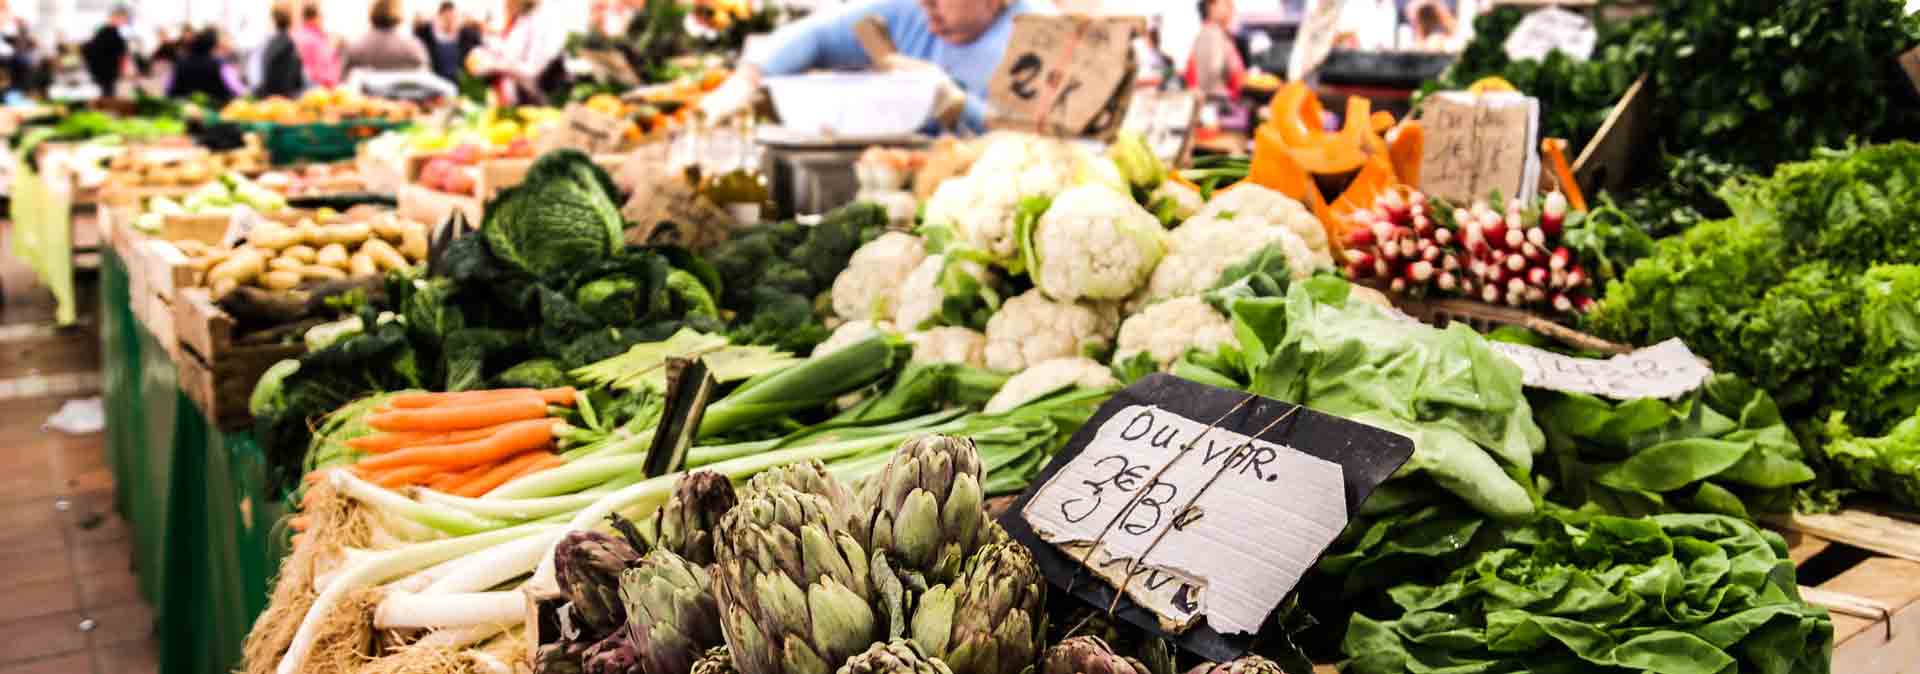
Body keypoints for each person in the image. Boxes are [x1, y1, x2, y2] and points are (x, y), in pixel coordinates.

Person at [699, 0, 1048, 134]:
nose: (927, 11)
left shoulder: (1043, 33)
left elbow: (1046, 139)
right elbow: (816, 36)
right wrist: (747, 79)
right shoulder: (911, 12)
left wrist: (958, 103)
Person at [471, 0, 568, 105]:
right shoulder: (520, 21)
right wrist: (483, 54)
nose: (506, 3)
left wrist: (494, 65)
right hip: (508, 98)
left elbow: (532, 70)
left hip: (528, 100)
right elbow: (507, 53)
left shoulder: (542, 22)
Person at [342, 0, 430, 78]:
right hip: (403, 95)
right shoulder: (413, 48)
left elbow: (344, 79)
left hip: (365, 95)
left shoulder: (357, 46)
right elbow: (426, 78)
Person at [1185, 0, 1244, 102]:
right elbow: (1213, 74)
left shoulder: (1216, 33)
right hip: (1219, 105)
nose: (1232, 9)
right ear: (1211, 6)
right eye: (1227, 4)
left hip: (1220, 102)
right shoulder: (1212, 34)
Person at [167, 29, 237, 103]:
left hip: (185, 108)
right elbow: (235, 89)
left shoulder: (180, 63)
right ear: (213, 45)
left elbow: (169, 90)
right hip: (216, 109)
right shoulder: (219, 64)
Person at [256, 2, 305, 98]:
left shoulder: (268, 43)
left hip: (268, 97)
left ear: (274, 19)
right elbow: (295, 80)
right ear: (291, 19)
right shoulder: (289, 44)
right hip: (283, 100)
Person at [82, 5, 132, 98]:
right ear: (116, 17)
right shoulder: (109, 32)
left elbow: (87, 49)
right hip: (106, 72)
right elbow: (122, 53)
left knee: (106, 93)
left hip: (103, 72)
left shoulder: (107, 32)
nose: (125, 22)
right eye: (124, 18)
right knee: (108, 95)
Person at [293, 4, 342, 89]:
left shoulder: (295, 36)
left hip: (299, 88)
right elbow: (326, 72)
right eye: (321, 17)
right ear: (314, 18)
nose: (322, 20)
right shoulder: (317, 41)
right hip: (318, 90)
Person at [419, 2, 466, 83]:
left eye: (453, 18)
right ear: (440, 16)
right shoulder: (426, 33)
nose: (450, 21)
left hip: (457, 79)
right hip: (435, 79)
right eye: (447, 18)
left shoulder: (465, 35)